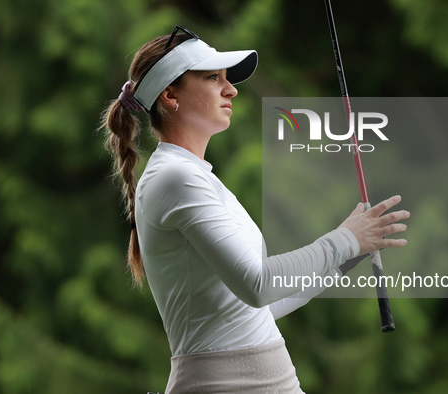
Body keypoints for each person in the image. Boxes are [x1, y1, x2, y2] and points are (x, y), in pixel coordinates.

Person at [99, 26, 409, 394]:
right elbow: (258, 285)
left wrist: (347, 255)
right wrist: (343, 240)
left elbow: (254, 311)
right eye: (213, 78)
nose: (231, 89)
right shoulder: (175, 178)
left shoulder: (199, 178)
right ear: (170, 95)